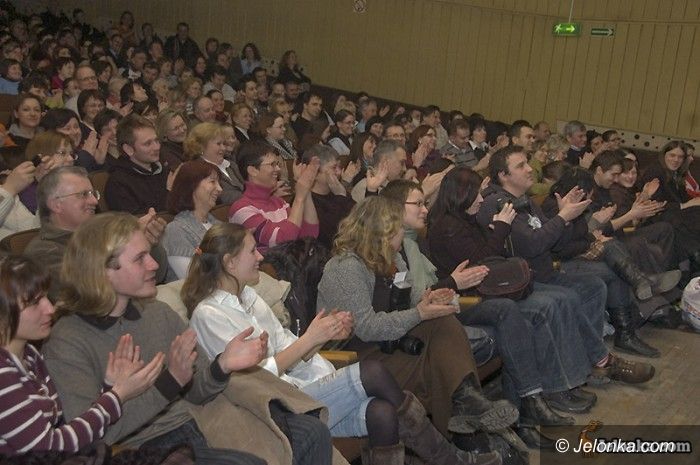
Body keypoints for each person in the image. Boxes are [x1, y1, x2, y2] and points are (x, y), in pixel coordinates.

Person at [183, 223, 496, 465]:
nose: (261, 257)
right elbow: (257, 380)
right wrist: (311, 339)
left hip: (304, 388)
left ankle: (449, 458)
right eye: (252, 251)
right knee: (372, 372)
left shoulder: (250, 296)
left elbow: (289, 349)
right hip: (276, 407)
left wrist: (322, 335)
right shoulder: (209, 315)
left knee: (383, 412)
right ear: (229, 262)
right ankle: (450, 459)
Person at [43, 212, 315, 464]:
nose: (154, 264)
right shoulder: (68, 341)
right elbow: (92, 438)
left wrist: (222, 366)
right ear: (101, 272)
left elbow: (196, 392)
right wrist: (169, 382)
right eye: (140, 259)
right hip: (143, 446)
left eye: (149, 254)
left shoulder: (157, 313)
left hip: (198, 421)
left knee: (311, 434)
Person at [317, 196, 519, 439]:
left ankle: (466, 408)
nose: (403, 233)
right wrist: (420, 312)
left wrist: (429, 300)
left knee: (441, 322)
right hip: (359, 361)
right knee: (440, 359)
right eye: (399, 229)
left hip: (392, 345)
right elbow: (367, 328)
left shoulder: (392, 259)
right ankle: (464, 414)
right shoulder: (345, 267)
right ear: (383, 233)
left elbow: (413, 300)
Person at [476, 146, 655, 383]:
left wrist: (566, 218)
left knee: (594, 286)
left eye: (528, 163)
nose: (530, 169)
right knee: (568, 296)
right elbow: (532, 245)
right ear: (503, 175)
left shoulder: (525, 202)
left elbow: (557, 244)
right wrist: (562, 217)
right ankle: (597, 361)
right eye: (521, 166)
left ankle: (588, 360)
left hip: (544, 272)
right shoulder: (498, 203)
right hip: (524, 281)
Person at [0, 255, 164, 456]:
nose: (50, 308)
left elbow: (66, 425)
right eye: (35, 302)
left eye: (45, 297)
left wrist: (110, 386)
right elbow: (47, 449)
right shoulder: (3, 374)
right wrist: (118, 395)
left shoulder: (30, 355)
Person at [540, 166, 680, 357]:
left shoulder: (574, 206)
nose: (591, 198)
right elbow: (561, 247)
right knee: (615, 265)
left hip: (574, 254)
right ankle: (629, 325)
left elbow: (581, 234)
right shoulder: (554, 207)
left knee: (616, 250)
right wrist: (592, 236)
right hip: (559, 263)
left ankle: (641, 287)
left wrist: (592, 234)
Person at [229, 141, 319, 252]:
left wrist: (306, 189)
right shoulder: (241, 209)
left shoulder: (279, 202)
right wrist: (299, 198)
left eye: (277, 164)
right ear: (253, 170)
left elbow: (310, 234)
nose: (278, 169)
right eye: (272, 165)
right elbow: (283, 241)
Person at [640, 141, 700, 268]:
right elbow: (655, 204)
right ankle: (694, 255)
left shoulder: (677, 174)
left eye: (680, 157)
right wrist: (684, 206)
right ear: (664, 155)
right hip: (655, 216)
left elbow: (683, 198)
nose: (676, 160)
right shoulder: (655, 171)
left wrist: (693, 202)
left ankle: (693, 255)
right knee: (686, 218)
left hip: (673, 212)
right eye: (672, 155)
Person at [163, 160, 222, 279]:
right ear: (192, 185)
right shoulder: (176, 230)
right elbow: (193, 278)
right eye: (212, 182)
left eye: (219, 183)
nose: (220, 189)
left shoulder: (219, 224)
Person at [104, 114, 170, 214]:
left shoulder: (163, 170)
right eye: (148, 143)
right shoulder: (118, 184)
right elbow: (138, 220)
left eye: (157, 141)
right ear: (128, 149)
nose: (157, 147)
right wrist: (169, 192)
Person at [184, 122, 245, 205]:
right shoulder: (198, 171)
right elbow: (222, 197)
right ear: (202, 146)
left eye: (224, 143)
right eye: (218, 144)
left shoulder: (231, 165)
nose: (223, 148)